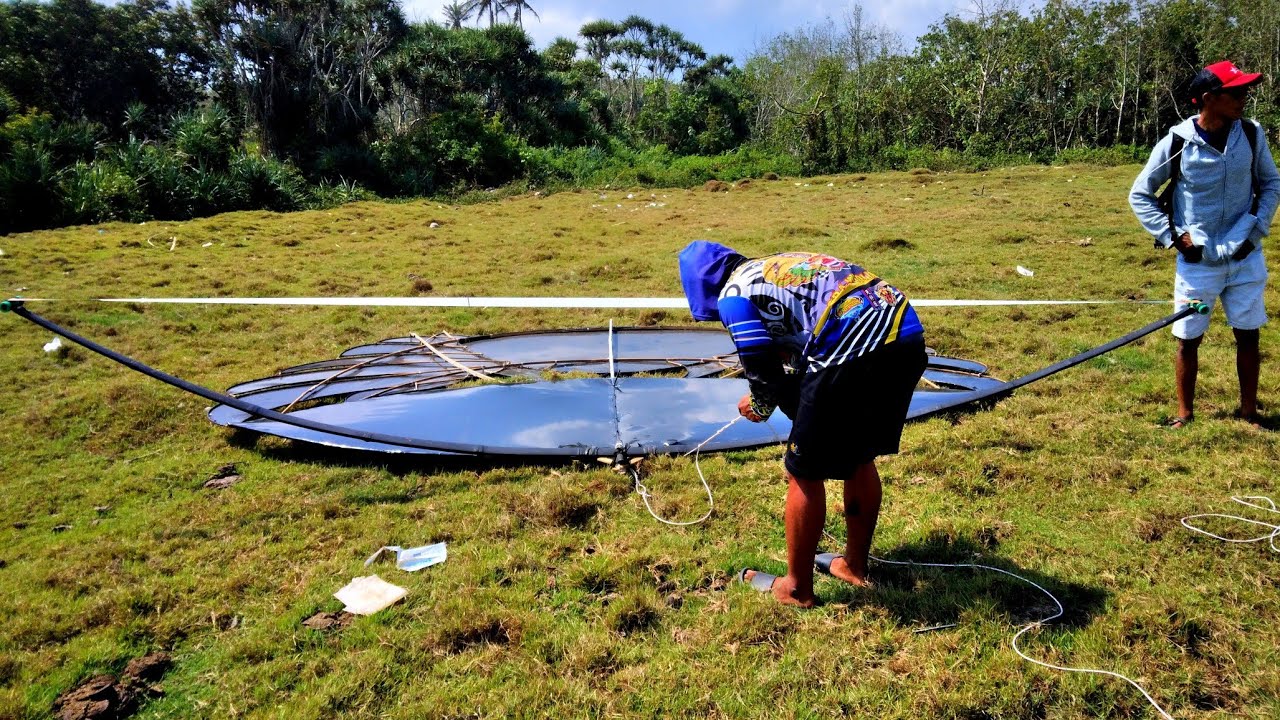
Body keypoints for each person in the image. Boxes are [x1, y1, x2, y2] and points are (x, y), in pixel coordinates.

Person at [678, 241, 926, 607]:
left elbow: (761, 367)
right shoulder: (772, 266)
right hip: (903, 334)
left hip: (850, 349)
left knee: (804, 471)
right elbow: (800, 329)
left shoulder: (733, 295)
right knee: (858, 455)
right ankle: (854, 566)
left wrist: (761, 405)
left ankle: (796, 588)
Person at [1129, 60, 1280, 429]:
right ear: (1210, 98)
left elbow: (1271, 183)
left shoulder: (1252, 134)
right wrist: (1173, 238)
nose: (1244, 97)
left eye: (1245, 90)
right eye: (1236, 92)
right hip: (1198, 260)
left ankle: (1249, 414)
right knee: (1188, 338)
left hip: (1245, 256)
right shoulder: (1178, 142)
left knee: (1248, 334)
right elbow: (1140, 193)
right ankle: (1184, 414)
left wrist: (1256, 231)